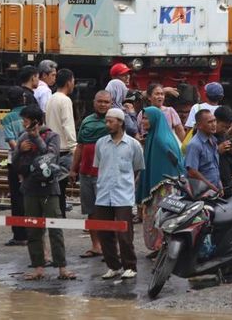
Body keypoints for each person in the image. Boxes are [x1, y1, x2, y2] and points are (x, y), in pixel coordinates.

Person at [13, 105, 76, 280]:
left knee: (55, 229)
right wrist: (20, 150)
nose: (23, 123)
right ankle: (38, 267)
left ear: (36, 121)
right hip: (29, 188)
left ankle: (62, 267)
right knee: (33, 230)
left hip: (50, 189)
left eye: (26, 120)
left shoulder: (52, 136)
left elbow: (52, 156)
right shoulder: (22, 137)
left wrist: (37, 140)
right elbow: (14, 160)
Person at [94, 108, 145, 280]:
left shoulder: (133, 145)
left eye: (111, 121)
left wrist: (127, 184)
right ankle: (113, 266)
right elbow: (99, 166)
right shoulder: (101, 143)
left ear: (120, 122)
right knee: (104, 233)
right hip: (103, 194)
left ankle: (130, 266)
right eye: (106, 121)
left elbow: (137, 168)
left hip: (123, 195)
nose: (107, 124)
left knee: (124, 234)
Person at [70, 90, 111, 259]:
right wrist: (73, 169)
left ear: (111, 104)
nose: (102, 104)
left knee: (108, 212)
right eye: (99, 101)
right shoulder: (86, 121)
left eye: (106, 102)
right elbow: (80, 146)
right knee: (91, 211)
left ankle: (110, 247)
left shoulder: (115, 121)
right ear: (94, 102)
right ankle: (96, 246)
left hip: (106, 174)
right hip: (86, 173)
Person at [138, 106, 186, 210]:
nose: (142, 121)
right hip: (164, 186)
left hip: (164, 188)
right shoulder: (154, 136)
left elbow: (174, 161)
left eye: (146, 118)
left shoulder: (160, 140)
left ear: (155, 119)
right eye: (143, 118)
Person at [45, 68, 77, 218]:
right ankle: (60, 217)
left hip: (51, 148)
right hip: (63, 150)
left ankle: (55, 215)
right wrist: (74, 148)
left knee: (54, 188)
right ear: (69, 82)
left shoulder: (51, 98)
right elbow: (67, 125)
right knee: (62, 187)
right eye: (73, 80)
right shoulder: (65, 100)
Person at [2, 86, 29, 246]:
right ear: (24, 99)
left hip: (16, 162)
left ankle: (19, 235)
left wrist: (20, 150)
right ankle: (33, 231)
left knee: (17, 198)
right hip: (32, 161)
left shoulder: (8, 118)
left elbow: (12, 143)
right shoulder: (32, 114)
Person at [184, 109, 222, 192]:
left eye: (214, 121)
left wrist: (219, 185)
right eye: (209, 122)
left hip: (213, 190)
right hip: (201, 192)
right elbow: (192, 172)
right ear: (199, 126)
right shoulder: (195, 144)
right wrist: (210, 186)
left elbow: (214, 166)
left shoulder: (213, 140)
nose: (214, 124)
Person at [213, 106, 232, 197]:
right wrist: (217, 151)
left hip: (226, 183)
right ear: (215, 121)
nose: (225, 130)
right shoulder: (205, 136)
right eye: (223, 127)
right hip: (212, 186)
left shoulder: (224, 135)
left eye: (228, 127)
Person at [105, 64, 138, 137]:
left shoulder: (108, 105)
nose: (127, 77)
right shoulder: (120, 111)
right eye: (123, 75)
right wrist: (132, 113)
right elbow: (133, 129)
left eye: (128, 74)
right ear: (114, 77)